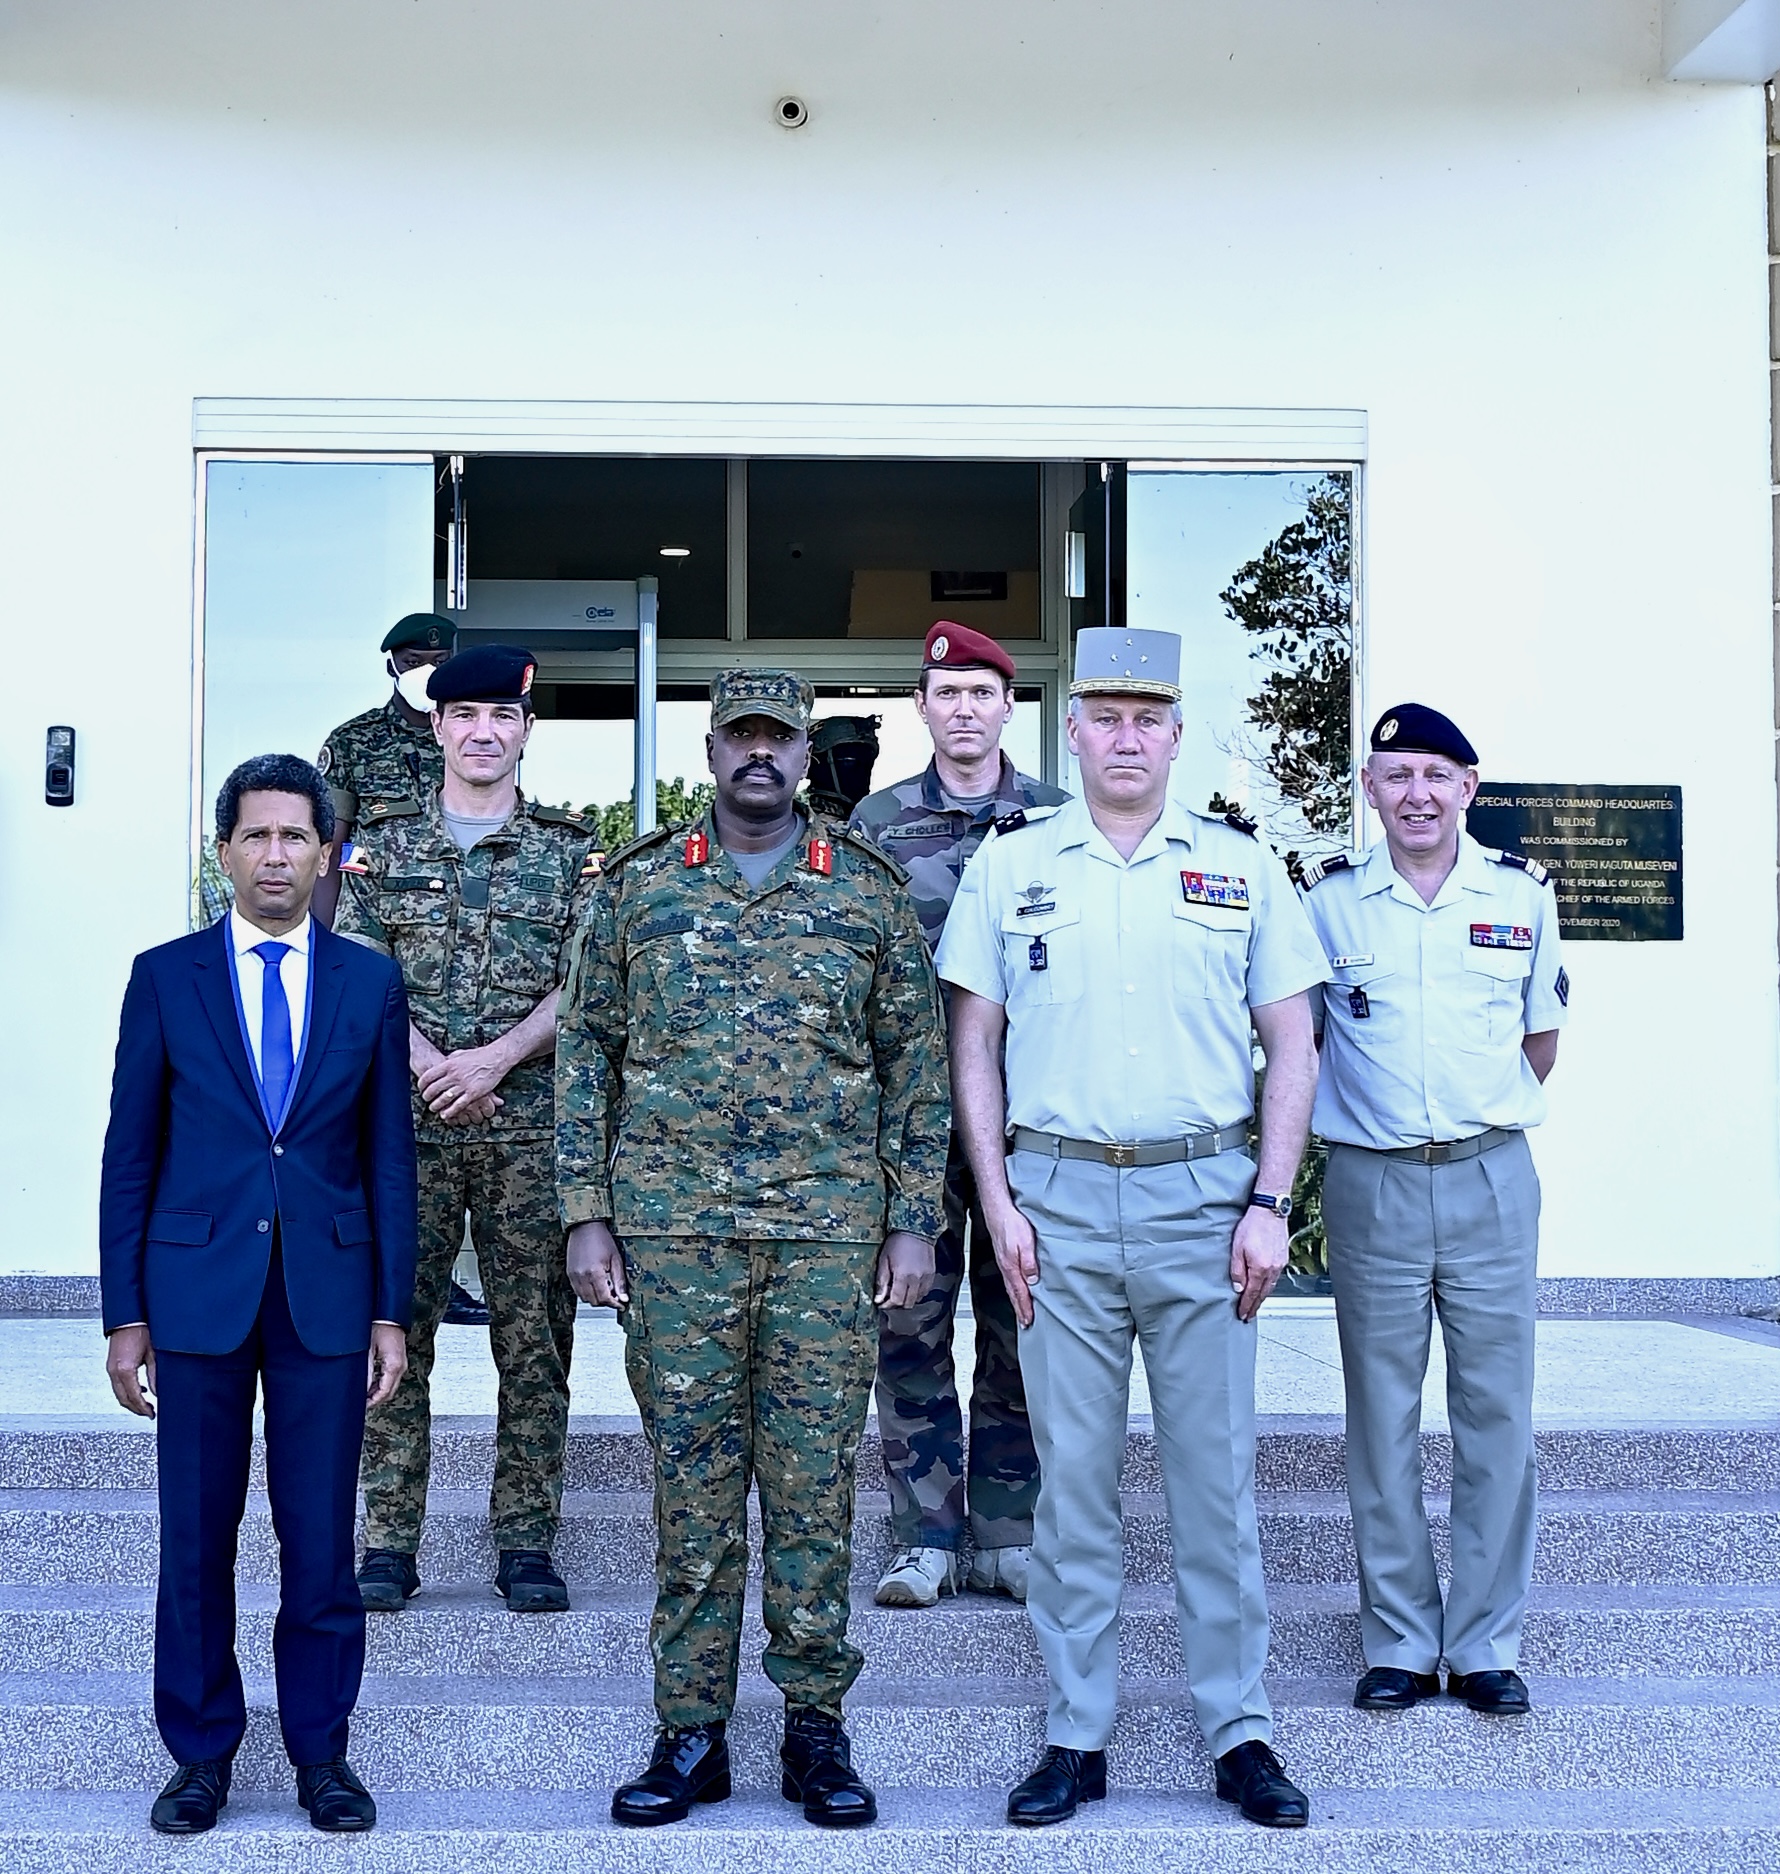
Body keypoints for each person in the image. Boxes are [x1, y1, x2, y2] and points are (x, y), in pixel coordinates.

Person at [938, 627, 1329, 1831]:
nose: (1121, 735)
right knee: (1074, 1489)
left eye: (1145, 717)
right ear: (1074, 728)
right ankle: (1075, 1730)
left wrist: (1270, 1202)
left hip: (1205, 1206)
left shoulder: (1239, 867)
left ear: (1173, 732)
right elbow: (974, 1044)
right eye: (1101, 714)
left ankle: (1240, 1727)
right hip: (1053, 1208)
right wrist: (997, 1203)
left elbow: (1293, 1043)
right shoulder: (1011, 867)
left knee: (1215, 1485)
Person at [556, 668, 950, 1831]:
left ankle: (815, 1728)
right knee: (692, 1488)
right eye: (743, 736)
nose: (761, 756)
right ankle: (690, 1729)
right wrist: (585, 1206)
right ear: (714, 747)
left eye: (781, 736)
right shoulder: (637, 890)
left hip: (826, 1238)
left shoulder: (865, 892)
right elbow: (585, 1049)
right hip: (673, 1239)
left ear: (801, 752)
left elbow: (913, 1070)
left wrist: (912, 1216)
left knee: (814, 1486)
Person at [99, 754, 417, 1837]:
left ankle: (322, 1753)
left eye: (296, 837)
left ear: (325, 853)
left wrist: (391, 1309)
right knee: (196, 1535)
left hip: (327, 1294)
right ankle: (199, 1754)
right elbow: (128, 1153)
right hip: (193, 1295)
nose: (276, 854)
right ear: (224, 848)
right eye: (256, 835)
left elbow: (388, 1158)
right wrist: (124, 1311)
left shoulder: (370, 980)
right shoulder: (163, 975)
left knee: (320, 1539)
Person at [1298, 703, 1567, 1718]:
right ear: (1369, 788)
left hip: (1492, 1173)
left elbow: (1538, 1042)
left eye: (1434, 774)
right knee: (1381, 1415)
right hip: (1373, 1182)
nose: (1415, 792)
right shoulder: (1328, 902)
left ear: (1469, 787)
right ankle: (1402, 1639)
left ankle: (1487, 1637)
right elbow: (1302, 1042)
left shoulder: (1520, 895)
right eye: (1395, 773)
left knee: (1497, 1412)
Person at [335, 644, 598, 1616]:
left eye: (503, 715)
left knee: (536, 1346)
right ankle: (388, 1539)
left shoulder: (571, 852)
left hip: (529, 1132)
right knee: (390, 1332)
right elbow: (352, 972)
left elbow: (587, 984)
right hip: (404, 1134)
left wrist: (488, 1062)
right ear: (438, 727)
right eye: (466, 714)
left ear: (526, 729)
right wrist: (433, 1066)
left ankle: (526, 1539)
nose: (484, 730)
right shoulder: (384, 849)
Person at [849, 621, 1068, 1609]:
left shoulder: (1059, 820)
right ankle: (926, 1535)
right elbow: (854, 967)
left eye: (983, 692)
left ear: (1007, 707)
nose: (966, 709)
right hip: (915, 1119)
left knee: (1023, 1316)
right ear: (923, 706)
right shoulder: (878, 820)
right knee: (911, 1321)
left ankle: (1009, 1530)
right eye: (949, 693)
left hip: (1036, 1119)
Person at [313, 609, 485, 1326]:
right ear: (391, 665)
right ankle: (397, 1282)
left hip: (467, 952)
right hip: (375, 946)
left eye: (440, 658)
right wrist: (315, 944)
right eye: (415, 658)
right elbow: (330, 846)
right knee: (382, 1130)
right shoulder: (353, 743)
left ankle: (446, 1280)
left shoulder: (472, 735)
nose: (427, 668)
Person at [805, 713, 881, 818]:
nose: (862, 772)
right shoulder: (801, 826)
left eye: (867, 763)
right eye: (850, 761)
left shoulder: (876, 823)